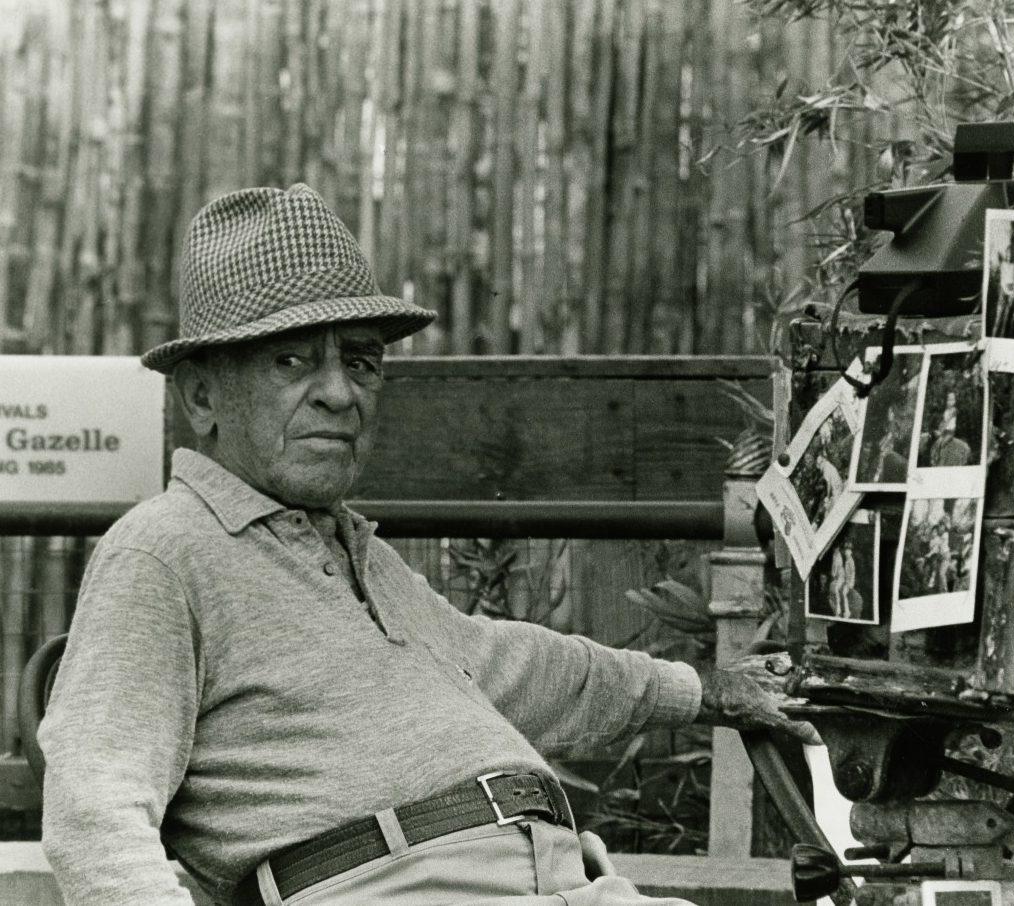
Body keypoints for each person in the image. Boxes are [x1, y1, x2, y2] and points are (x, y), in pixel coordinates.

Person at [38, 185, 817, 906]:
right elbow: (95, 814)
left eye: (361, 361)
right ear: (202, 395)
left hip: (564, 881)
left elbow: (518, 666)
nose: (340, 392)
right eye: (292, 360)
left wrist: (707, 691)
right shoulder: (164, 550)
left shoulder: (356, 556)